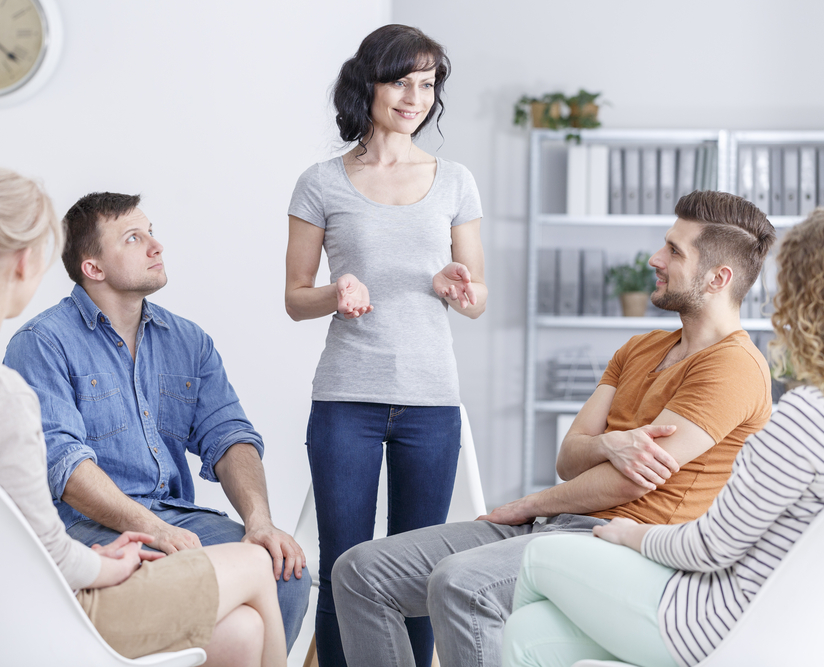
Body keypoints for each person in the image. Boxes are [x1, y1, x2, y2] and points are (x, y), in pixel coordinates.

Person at [332, 190, 777, 667]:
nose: (655, 258)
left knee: (461, 583)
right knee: (359, 571)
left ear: (718, 278)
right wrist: (607, 443)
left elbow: (631, 478)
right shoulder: (640, 347)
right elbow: (569, 457)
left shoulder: (733, 367)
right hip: (558, 525)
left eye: (674, 250)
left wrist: (528, 504)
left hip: (626, 543)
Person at [0, 168, 288, 666]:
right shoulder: (2, 392)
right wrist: (106, 562)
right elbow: (47, 545)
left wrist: (102, 557)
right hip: (36, 613)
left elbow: (16, 531)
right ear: (24, 262)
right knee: (258, 564)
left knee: (241, 632)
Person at [502, 207, 824, 667]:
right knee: (527, 635)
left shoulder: (805, 417)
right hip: (788, 635)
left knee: (539, 559)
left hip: (714, 624)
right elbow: (571, 458)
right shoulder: (803, 411)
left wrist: (633, 535)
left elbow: (711, 546)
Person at [2, 191, 311, 651]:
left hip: (175, 518)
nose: (155, 246)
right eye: (133, 237)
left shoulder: (189, 341)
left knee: (284, 570)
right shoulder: (42, 343)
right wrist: (155, 529)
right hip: (85, 529)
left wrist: (259, 520)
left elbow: (230, 438)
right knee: (228, 614)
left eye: (152, 233)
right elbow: (65, 468)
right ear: (93, 268)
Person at [285, 24, 486, 667]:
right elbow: (295, 297)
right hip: (347, 399)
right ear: (367, 82)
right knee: (344, 563)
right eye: (401, 80)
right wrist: (336, 290)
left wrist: (456, 287)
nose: (415, 97)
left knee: (420, 574)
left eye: (427, 85)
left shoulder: (455, 181)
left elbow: (478, 298)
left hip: (431, 402)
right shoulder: (321, 182)